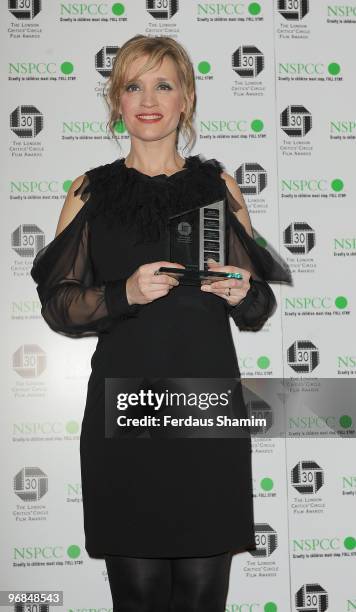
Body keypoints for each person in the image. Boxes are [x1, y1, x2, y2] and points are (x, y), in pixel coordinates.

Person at [31, 35, 292, 612]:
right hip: (125, 417)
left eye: (163, 84)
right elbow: (59, 304)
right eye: (133, 85)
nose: (148, 99)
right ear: (117, 101)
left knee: (203, 596)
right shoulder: (90, 191)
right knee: (139, 597)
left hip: (206, 413)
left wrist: (242, 290)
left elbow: (257, 307)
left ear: (186, 101)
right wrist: (125, 291)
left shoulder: (217, 189)